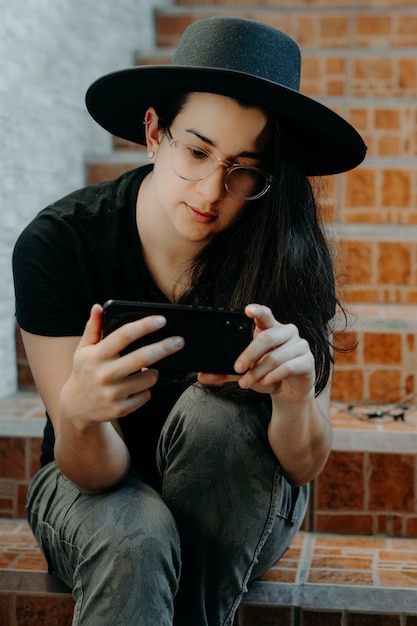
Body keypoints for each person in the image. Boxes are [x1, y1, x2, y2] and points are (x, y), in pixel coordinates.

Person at [12, 16, 366, 626]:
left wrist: (294, 400)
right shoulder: (60, 243)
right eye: (197, 151)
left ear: (270, 175)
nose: (210, 190)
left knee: (220, 417)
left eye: (244, 169)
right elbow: (94, 472)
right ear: (154, 132)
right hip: (92, 486)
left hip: (239, 491)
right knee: (137, 535)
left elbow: (304, 464)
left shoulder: (287, 250)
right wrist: (78, 412)